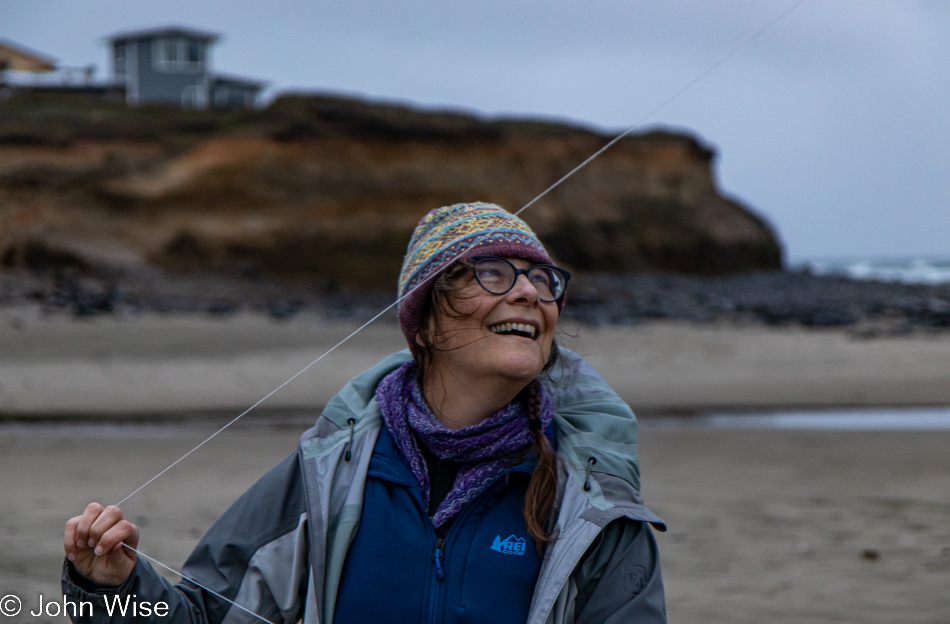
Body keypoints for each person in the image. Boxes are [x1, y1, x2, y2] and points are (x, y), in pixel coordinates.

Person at [62, 202, 667, 624]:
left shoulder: (594, 501)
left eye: (542, 278)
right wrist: (108, 590)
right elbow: (202, 618)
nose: (530, 291)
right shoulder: (332, 468)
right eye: (493, 272)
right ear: (424, 323)